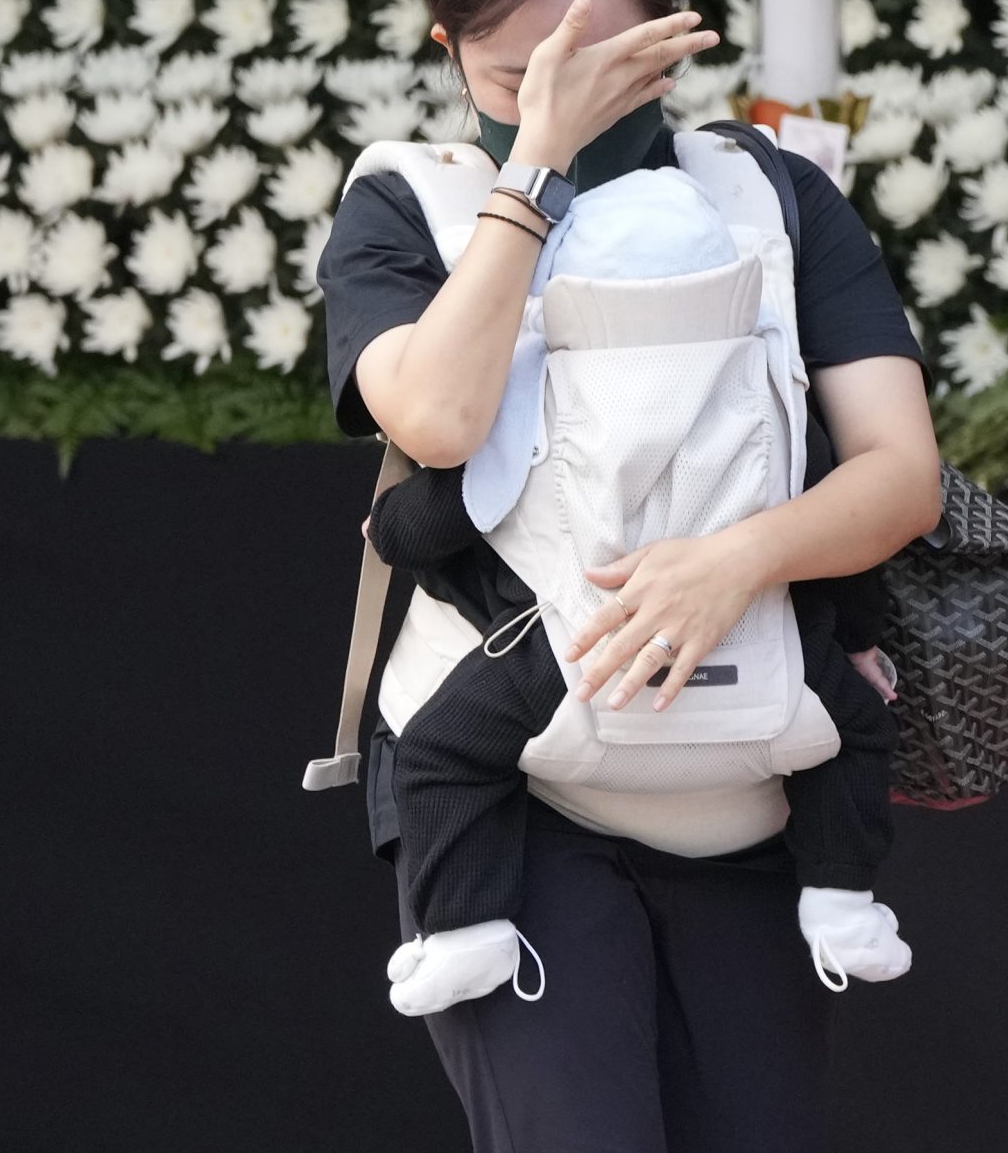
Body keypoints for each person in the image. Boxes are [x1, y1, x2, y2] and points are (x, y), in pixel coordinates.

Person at [317, 0, 943, 1153]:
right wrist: (531, 171)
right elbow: (433, 415)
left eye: (603, 67)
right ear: (446, 50)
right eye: (518, 74)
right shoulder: (409, 202)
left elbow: (901, 472)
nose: (574, 101)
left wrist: (737, 561)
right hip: (515, 799)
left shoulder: (770, 197)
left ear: (667, 31)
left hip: (750, 768)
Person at [362, 158, 915, 1017]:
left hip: (579, 647)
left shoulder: (541, 386)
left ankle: (467, 929)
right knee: (856, 732)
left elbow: (450, 508)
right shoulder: (769, 387)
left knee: (441, 752)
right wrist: (856, 639)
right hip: (766, 645)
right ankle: (842, 899)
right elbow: (848, 519)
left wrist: (386, 527)